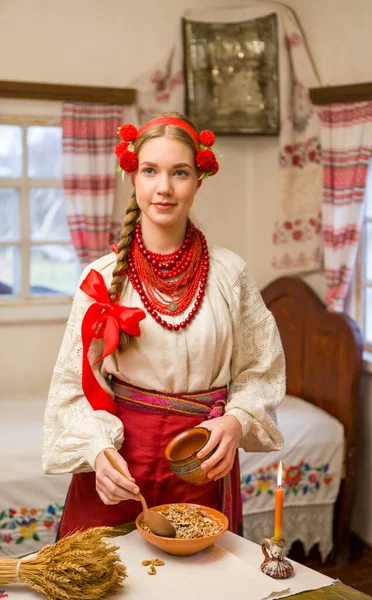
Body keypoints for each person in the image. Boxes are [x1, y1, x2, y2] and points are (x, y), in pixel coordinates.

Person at [43, 112, 285, 538]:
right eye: (150, 170)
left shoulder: (230, 275)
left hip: (200, 460)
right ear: (130, 174)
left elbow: (259, 369)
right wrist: (97, 452)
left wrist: (236, 420)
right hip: (118, 462)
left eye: (180, 173)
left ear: (199, 180)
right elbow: (72, 387)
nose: (164, 188)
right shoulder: (101, 278)